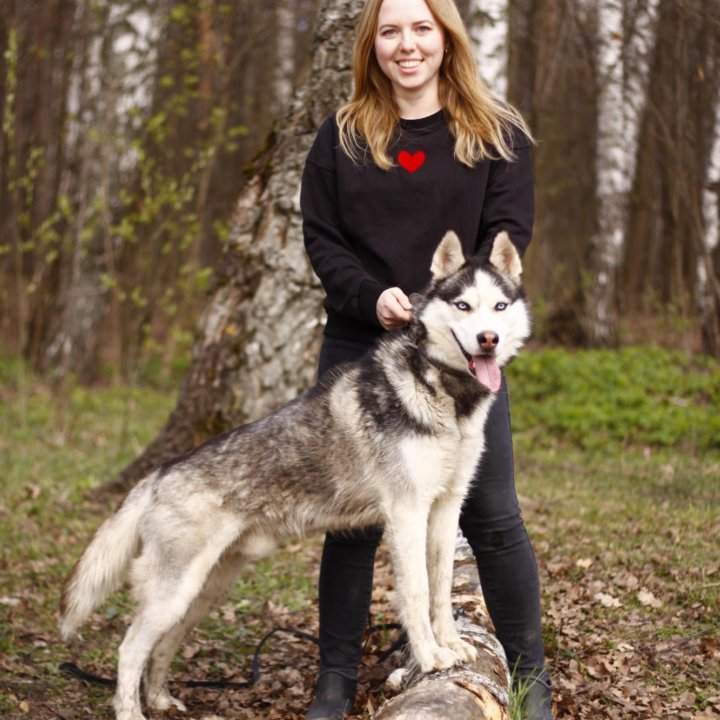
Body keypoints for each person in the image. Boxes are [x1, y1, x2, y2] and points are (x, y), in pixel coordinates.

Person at [299, 0, 554, 718]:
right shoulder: (343, 137)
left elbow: (506, 240)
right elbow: (322, 239)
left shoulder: (496, 134)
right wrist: (371, 294)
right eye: (389, 31)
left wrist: (457, 309)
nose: (406, 45)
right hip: (362, 344)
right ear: (370, 44)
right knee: (353, 520)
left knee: (493, 513)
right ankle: (334, 683)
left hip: (458, 356)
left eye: (421, 28)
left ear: (446, 37)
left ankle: (533, 684)